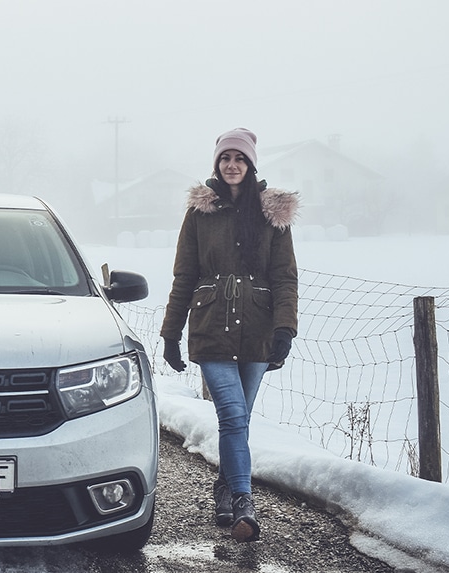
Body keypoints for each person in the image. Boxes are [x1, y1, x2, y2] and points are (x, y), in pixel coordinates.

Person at [159, 127, 298, 543]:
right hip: (211, 328)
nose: (232, 165)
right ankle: (243, 501)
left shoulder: (273, 214)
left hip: (257, 329)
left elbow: (284, 277)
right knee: (234, 417)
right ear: (216, 165)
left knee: (239, 422)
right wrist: (171, 332)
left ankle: (224, 487)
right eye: (225, 159)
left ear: (251, 164)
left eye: (239, 159)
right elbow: (185, 274)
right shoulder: (201, 212)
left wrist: (284, 328)